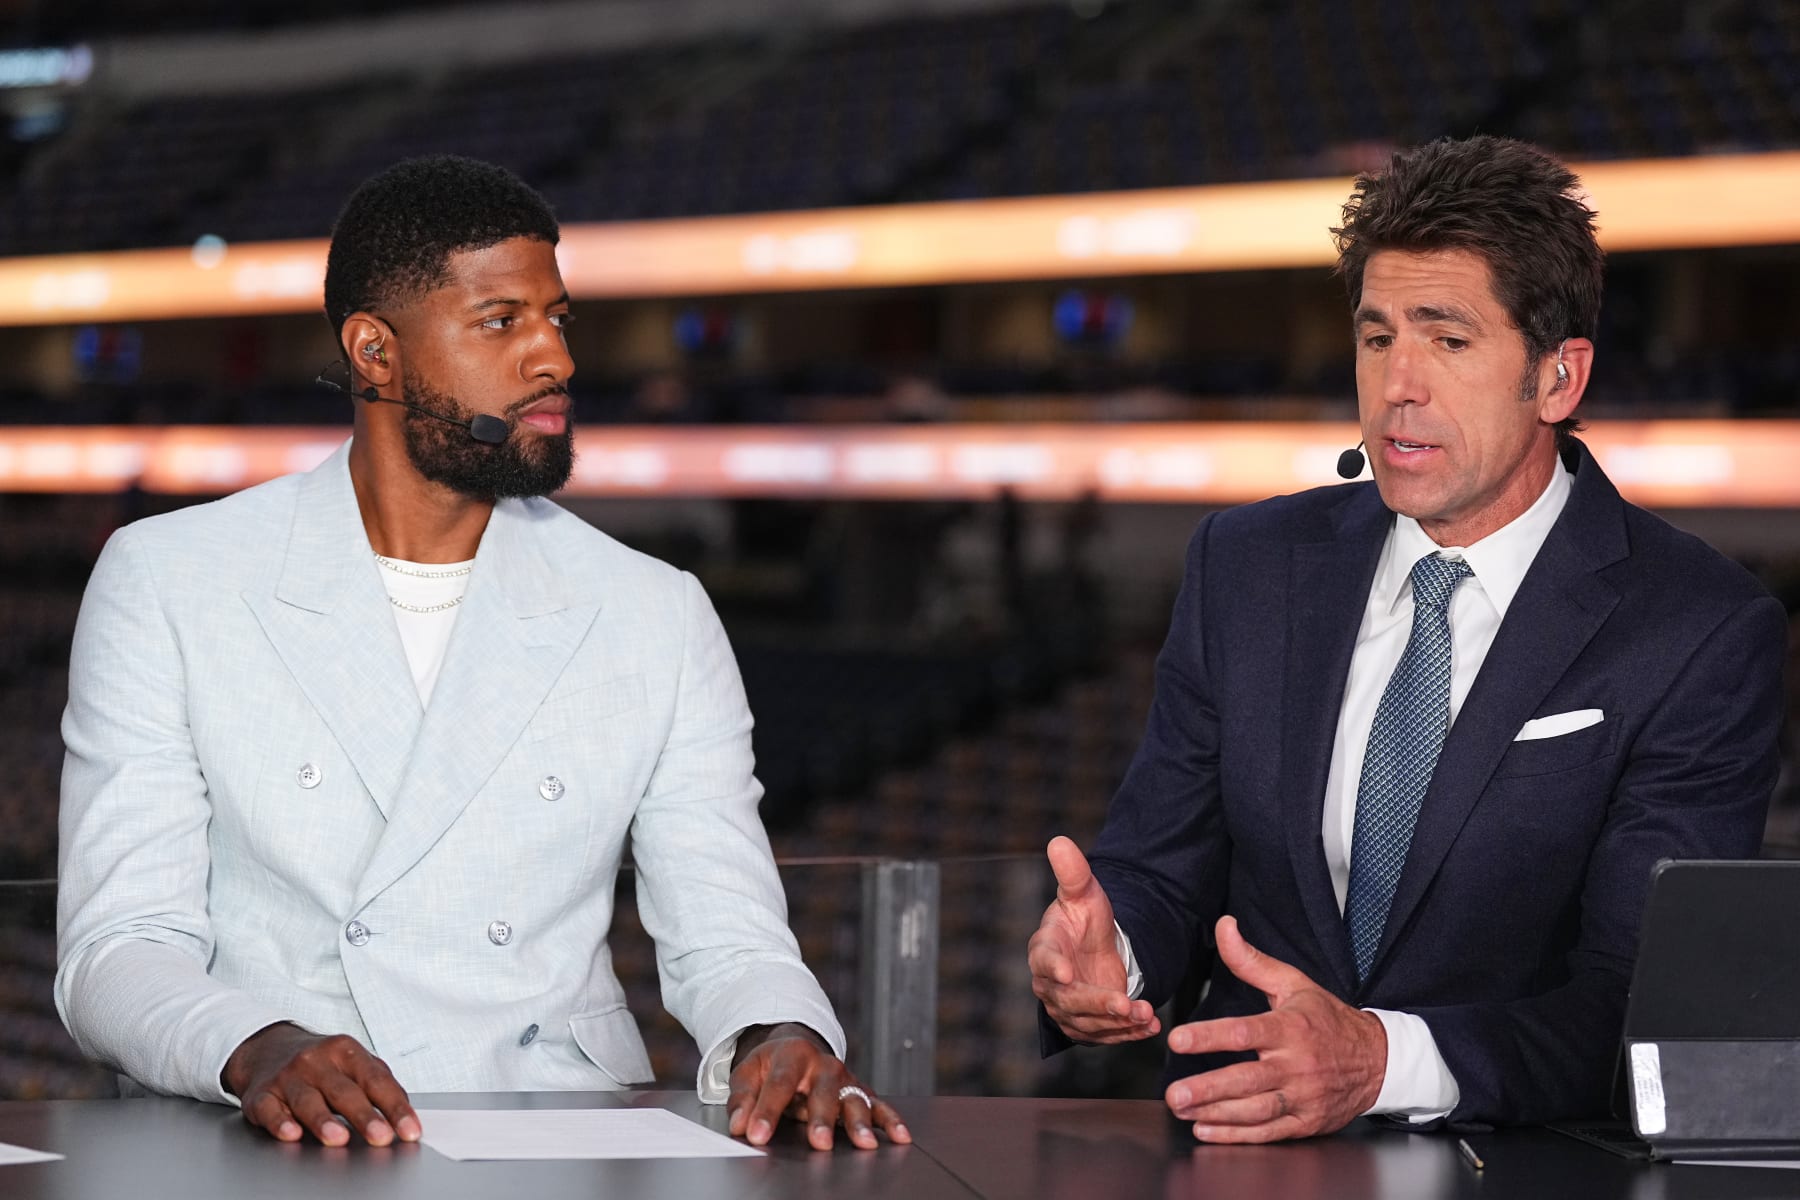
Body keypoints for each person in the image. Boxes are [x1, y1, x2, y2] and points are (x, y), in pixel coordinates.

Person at [56, 155, 908, 1154]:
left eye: (558, 319)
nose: (556, 359)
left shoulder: (655, 612)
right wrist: (255, 1044)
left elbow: (728, 931)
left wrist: (780, 1032)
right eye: (501, 322)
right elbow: (119, 947)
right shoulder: (171, 579)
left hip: (556, 1132)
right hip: (273, 1142)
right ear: (375, 352)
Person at [1029, 135, 1785, 1141]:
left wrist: (1381, 1061)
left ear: (1559, 380)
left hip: (1516, 1165)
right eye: (1378, 338)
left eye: (1450, 341)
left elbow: (1635, 998)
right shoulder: (1245, 564)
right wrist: (1111, 955)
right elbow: (1164, 866)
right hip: (1235, 1148)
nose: (1398, 387)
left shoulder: (1699, 629)